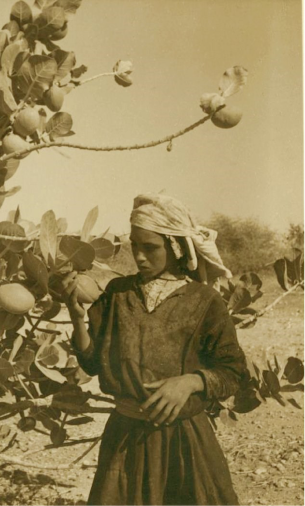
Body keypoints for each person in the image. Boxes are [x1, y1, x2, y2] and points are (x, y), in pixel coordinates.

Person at [62, 193, 247, 506]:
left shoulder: (204, 301)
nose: (140, 256)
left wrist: (190, 382)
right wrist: (78, 319)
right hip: (125, 437)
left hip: (184, 442)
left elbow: (232, 371)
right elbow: (93, 363)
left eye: (150, 248)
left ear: (175, 247)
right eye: (135, 245)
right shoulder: (118, 293)